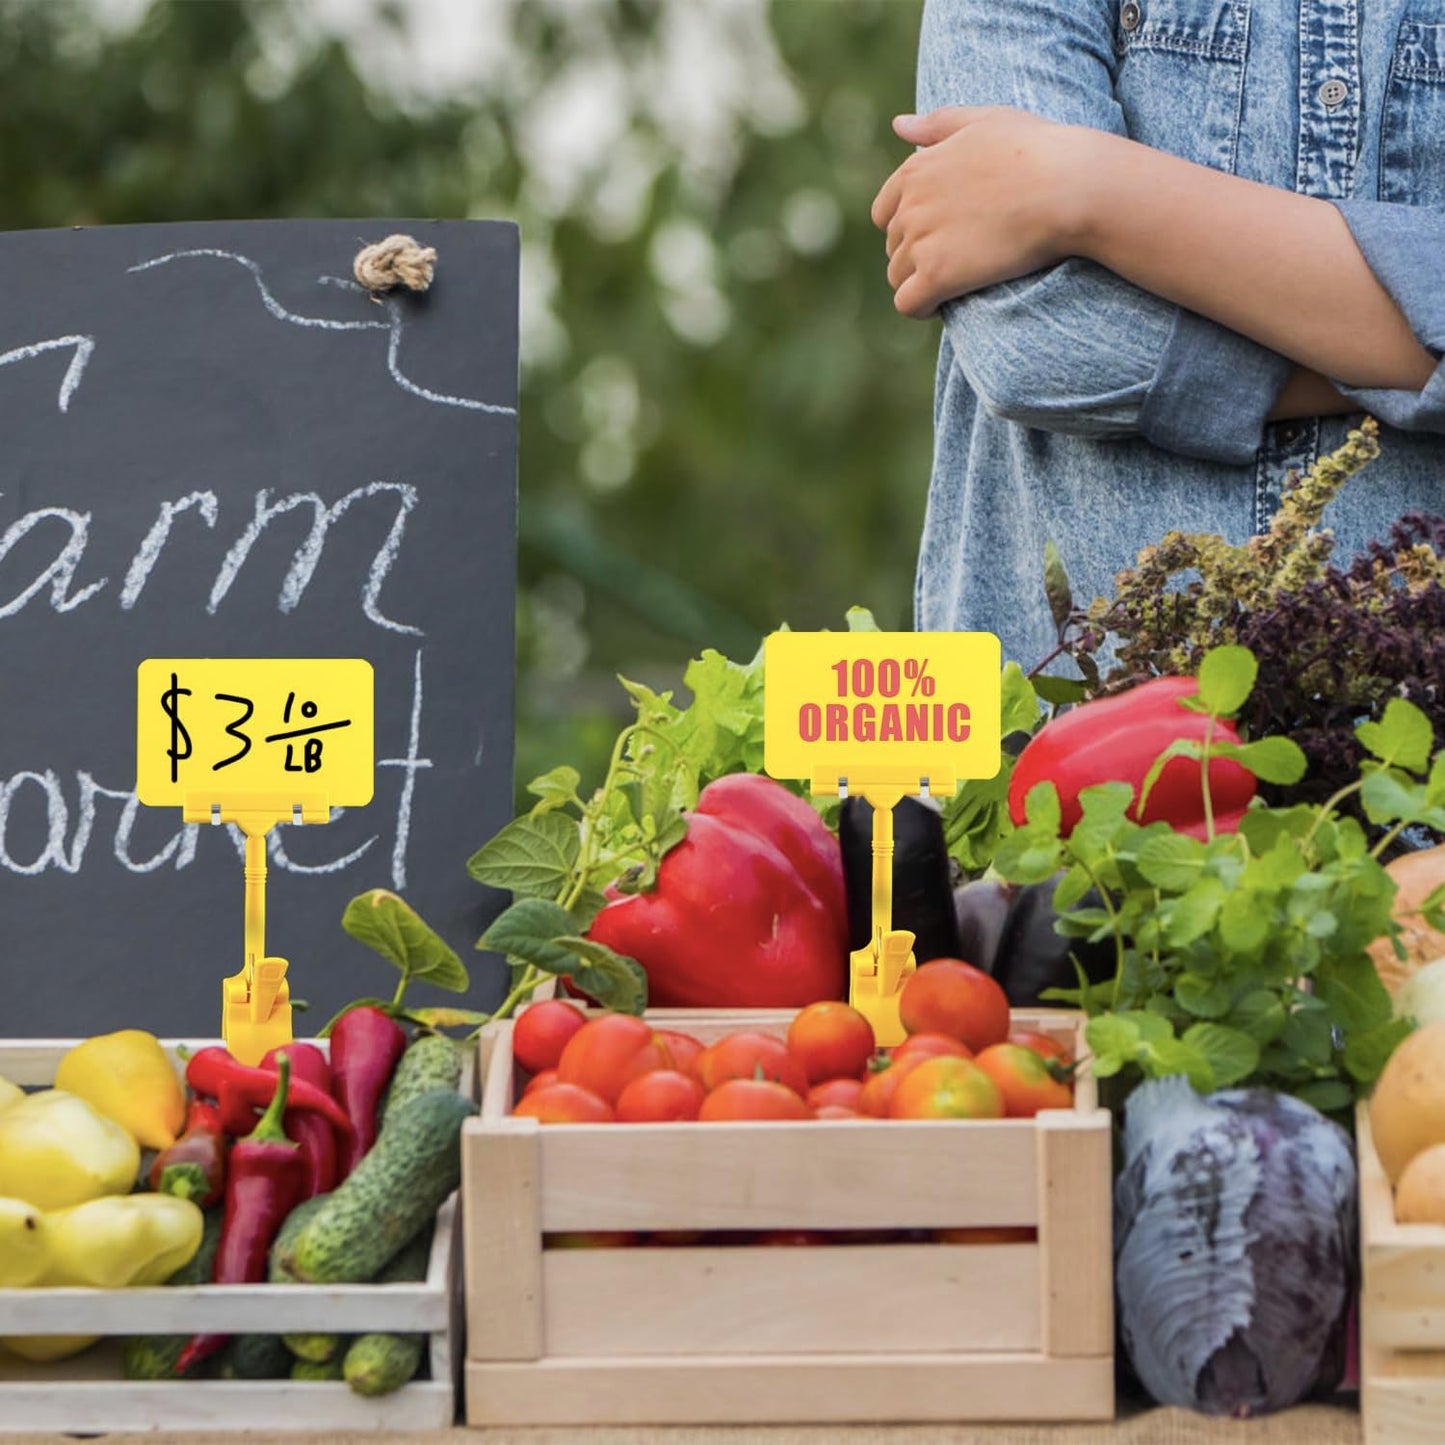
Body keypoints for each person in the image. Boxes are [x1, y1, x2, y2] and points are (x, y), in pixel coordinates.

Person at [871, 0, 1445, 671]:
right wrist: (1409, 355)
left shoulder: (1083, 184)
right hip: (1042, 730)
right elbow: (1035, 341)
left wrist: (1090, 189)